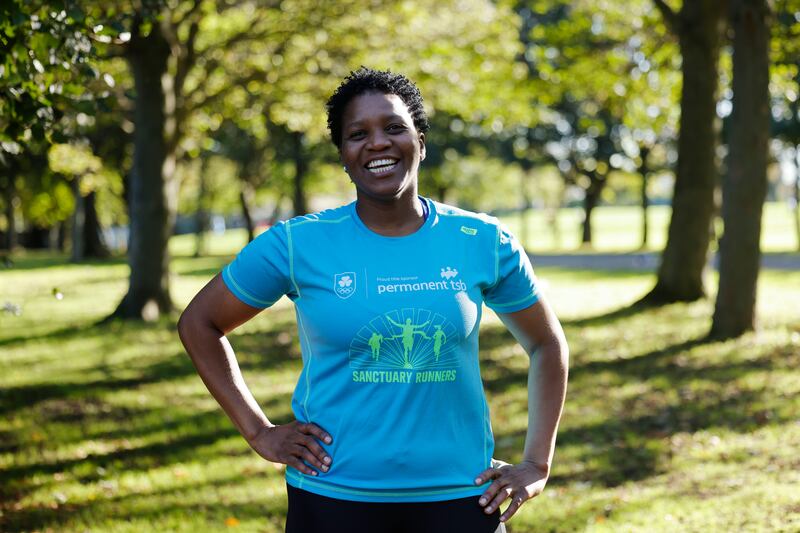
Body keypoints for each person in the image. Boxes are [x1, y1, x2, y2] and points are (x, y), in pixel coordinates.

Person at [178, 67, 569, 533]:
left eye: (394, 127)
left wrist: (536, 464)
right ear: (343, 155)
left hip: (462, 497)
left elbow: (546, 344)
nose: (378, 143)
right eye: (358, 134)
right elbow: (199, 323)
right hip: (332, 499)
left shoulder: (482, 239)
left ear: (420, 141)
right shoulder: (297, 244)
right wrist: (259, 431)